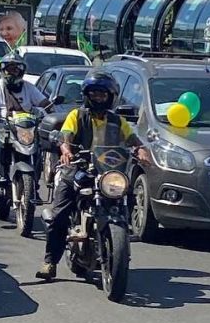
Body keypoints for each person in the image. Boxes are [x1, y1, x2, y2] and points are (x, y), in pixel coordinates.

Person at [37, 71, 150, 280]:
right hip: (78, 170)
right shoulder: (77, 115)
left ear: (111, 96)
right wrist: (66, 150)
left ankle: (120, 237)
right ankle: (50, 262)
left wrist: (141, 150)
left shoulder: (117, 120)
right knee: (60, 215)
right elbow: (66, 135)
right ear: (87, 95)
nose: (98, 98)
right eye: (94, 94)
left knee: (126, 196)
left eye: (102, 94)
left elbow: (132, 139)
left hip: (108, 173)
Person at [0, 51, 53, 204]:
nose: (12, 72)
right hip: (0, 128)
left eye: (15, 69)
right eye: (9, 69)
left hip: (24, 130)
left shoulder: (29, 88)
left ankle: (33, 189)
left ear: (21, 71)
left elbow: (45, 104)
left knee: (37, 152)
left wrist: (51, 113)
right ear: (3, 70)